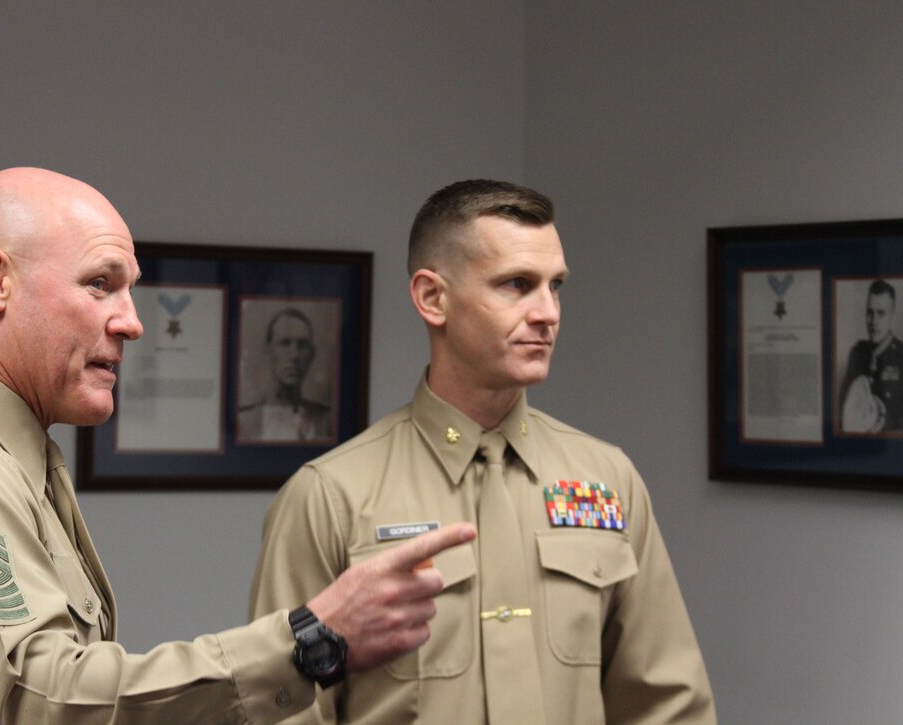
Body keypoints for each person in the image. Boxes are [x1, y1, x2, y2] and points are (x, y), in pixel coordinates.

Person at [0, 167, 477, 724]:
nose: (133, 321)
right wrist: (307, 638)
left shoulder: (5, 453)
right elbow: (44, 704)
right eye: (101, 283)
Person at [250, 179, 717, 723]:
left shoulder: (606, 477)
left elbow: (667, 704)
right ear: (433, 298)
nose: (548, 312)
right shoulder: (331, 495)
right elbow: (282, 711)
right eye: (517, 284)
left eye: (555, 286)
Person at [238, 307, 334, 442]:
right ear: (267, 351)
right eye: (284, 343)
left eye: (302, 345)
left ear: (311, 354)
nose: (294, 355)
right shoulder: (243, 421)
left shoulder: (327, 421)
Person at [840, 279, 903, 432]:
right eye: (870, 312)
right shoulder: (857, 352)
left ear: (892, 316)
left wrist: (883, 419)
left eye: (881, 313)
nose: (874, 321)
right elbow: (843, 409)